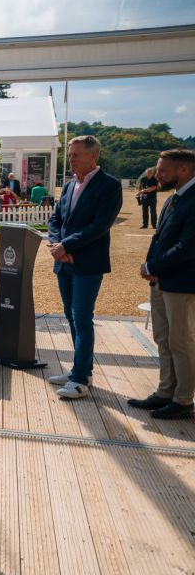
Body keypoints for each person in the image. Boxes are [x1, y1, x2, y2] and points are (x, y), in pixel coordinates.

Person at [45, 134, 123, 400]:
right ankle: (81, 370)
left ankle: (79, 380)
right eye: (70, 154)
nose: (71, 158)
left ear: (93, 156)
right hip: (64, 262)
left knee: (81, 317)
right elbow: (55, 219)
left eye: (75, 154)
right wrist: (58, 245)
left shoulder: (109, 186)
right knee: (70, 316)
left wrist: (67, 246)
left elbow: (100, 226)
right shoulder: (68, 186)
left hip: (87, 264)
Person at [128, 148, 195, 420]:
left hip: (182, 284)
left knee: (181, 342)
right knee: (164, 339)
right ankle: (166, 392)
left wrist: (153, 266)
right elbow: (160, 238)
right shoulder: (174, 198)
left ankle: (183, 399)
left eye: (163, 170)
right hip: (162, 280)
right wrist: (152, 268)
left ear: (184, 171)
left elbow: (187, 247)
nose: (158, 175)